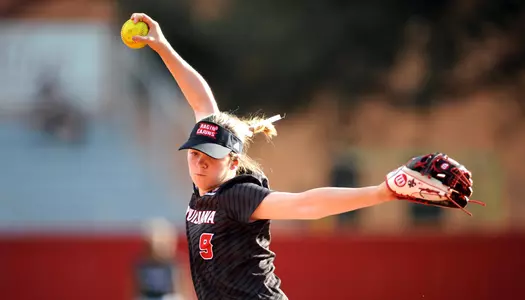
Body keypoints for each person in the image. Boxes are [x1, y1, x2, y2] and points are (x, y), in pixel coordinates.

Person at [128, 13, 478, 300]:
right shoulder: (203, 186)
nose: (200, 162)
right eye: (195, 154)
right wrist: (163, 48)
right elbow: (202, 102)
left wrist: (381, 192)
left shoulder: (238, 195)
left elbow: (306, 204)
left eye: (211, 156)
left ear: (233, 162)